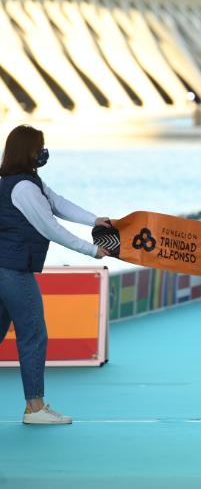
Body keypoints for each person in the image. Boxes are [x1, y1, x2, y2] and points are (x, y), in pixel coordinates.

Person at [0, 125, 112, 425]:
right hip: (13, 271)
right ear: (28, 151)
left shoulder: (24, 181)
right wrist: (92, 250)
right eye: (40, 147)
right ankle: (35, 408)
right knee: (33, 334)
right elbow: (49, 227)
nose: (43, 152)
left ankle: (34, 406)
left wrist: (94, 219)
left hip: (5, 268)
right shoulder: (23, 188)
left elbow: (58, 203)